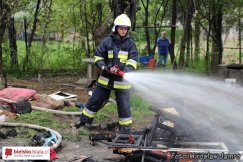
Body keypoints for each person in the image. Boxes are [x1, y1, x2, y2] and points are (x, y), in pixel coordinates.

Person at [74, 14, 138, 134]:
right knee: (94, 101)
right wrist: (106, 67)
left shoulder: (130, 44)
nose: (123, 31)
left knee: (124, 107)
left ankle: (125, 129)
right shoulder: (107, 42)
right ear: (116, 28)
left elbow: (133, 60)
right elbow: (98, 57)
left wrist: (127, 71)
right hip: (106, 79)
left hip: (122, 82)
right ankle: (83, 121)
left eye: (125, 28)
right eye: (121, 28)